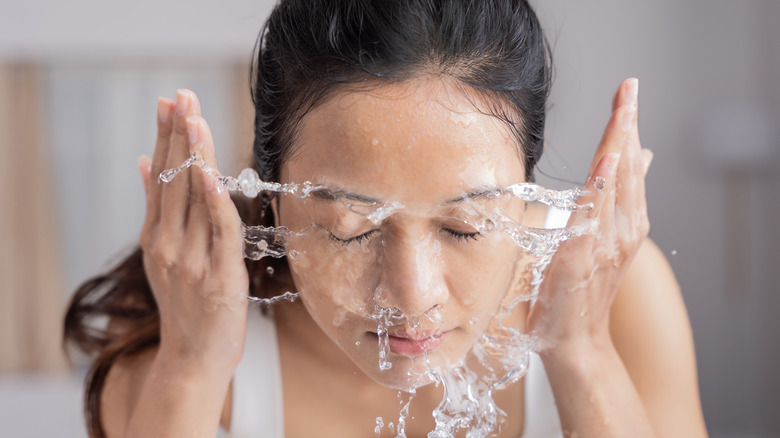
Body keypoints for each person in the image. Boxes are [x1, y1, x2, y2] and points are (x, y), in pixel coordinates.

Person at [64, 1, 708, 437]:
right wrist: (192, 365)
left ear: (524, 192)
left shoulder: (617, 298)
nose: (412, 296)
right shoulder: (172, 361)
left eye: (465, 227)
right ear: (275, 196)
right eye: (353, 229)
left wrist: (581, 351)